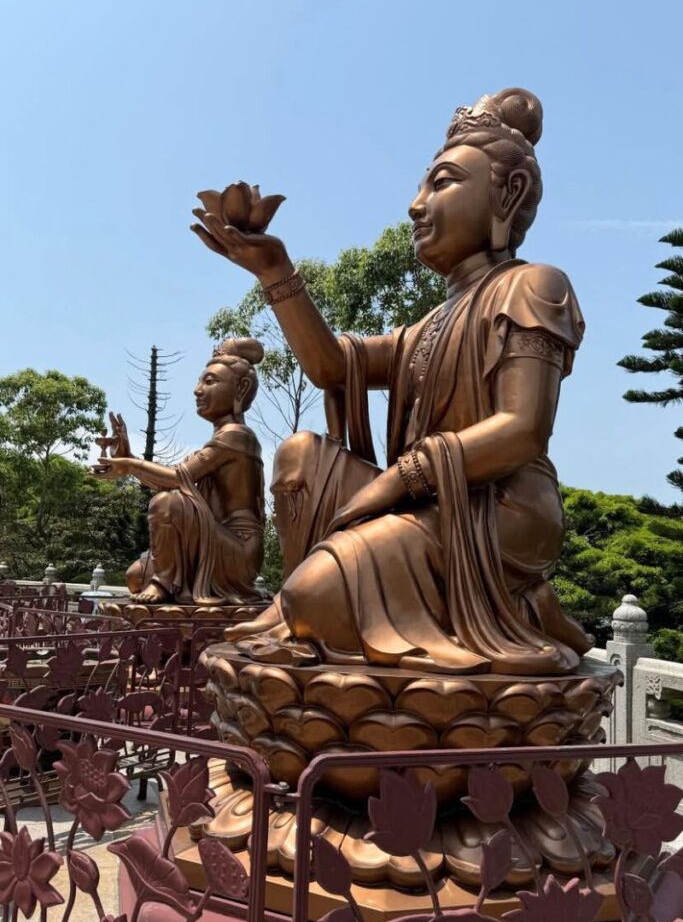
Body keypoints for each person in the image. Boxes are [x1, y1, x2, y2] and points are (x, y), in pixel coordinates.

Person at [192, 88, 591, 675]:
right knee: (301, 454)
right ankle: (303, 611)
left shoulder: (533, 286)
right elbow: (330, 366)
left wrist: (401, 478)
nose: (416, 205)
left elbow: (522, 430)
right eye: (423, 185)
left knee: (318, 597)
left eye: (444, 183)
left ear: (509, 194)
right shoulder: (427, 326)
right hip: (430, 504)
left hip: (498, 512)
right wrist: (275, 271)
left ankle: (514, 606)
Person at [93, 339, 265, 606]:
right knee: (135, 577)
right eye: (200, 382)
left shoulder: (237, 436)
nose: (197, 390)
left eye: (210, 382)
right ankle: (166, 579)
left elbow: (176, 479)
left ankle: (164, 581)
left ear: (240, 388)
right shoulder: (219, 438)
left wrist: (130, 465)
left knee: (167, 503)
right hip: (209, 539)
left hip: (237, 549)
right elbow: (172, 480)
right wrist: (128, 460)